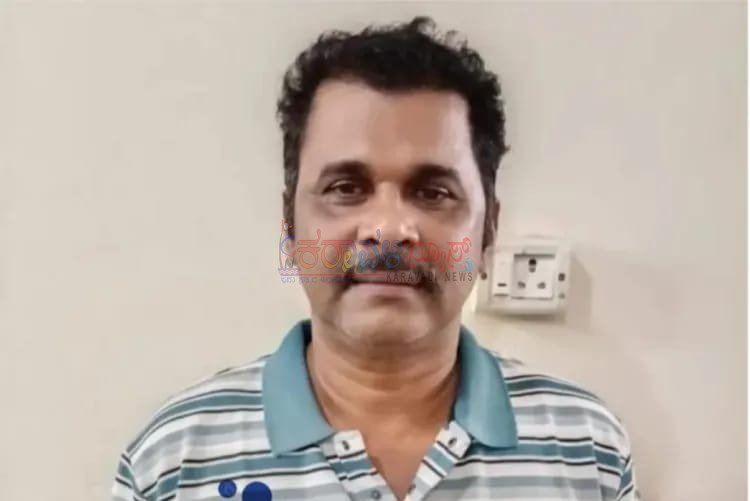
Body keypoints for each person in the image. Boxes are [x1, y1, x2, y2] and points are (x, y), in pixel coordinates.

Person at [112, 16, 640, 501]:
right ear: (290, 227)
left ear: (489, 230)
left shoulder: (586, 450)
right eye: (346, 188)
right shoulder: (173, 461)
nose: (388, 229)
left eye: (433, 192)